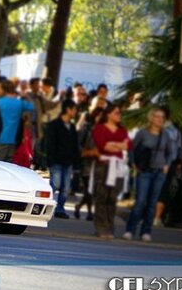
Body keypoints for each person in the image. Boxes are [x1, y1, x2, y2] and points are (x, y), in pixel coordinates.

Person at [123, 107, 175, 242]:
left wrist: (167, 165)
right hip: (144, 171)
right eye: (157, 117)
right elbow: (131, 148)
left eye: (162, 117)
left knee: (152, 202)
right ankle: (130, 229)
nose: (160, 120)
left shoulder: (166, 135)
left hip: (159, 172)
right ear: (151, 118)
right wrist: (133, 163)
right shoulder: (142, 133)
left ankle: (146, 231)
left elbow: (170, 152)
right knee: (140, 201)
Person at [92, 104, 131, 238]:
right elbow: (102, 145)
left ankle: (109, 228)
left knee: (112, 198)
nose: (119, 115)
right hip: (103, 165)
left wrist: (114, 145)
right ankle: (101, 227)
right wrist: (118, 145)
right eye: (116, 113)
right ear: (108, 114)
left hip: (118, 166)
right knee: (102, 197)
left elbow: (128, 145)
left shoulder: (122, 130)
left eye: (119, 113)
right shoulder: (100, 128)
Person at [46, 100, 81, 219]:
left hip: (68, 161)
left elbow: (75, 145)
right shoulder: (54, 125)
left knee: (66, 187)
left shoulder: (71, 127)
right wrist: (50, 160)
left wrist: (76, 163)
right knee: (55, 184)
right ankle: (47, 206)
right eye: (74, 109)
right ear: (68, 109)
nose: (75, 112)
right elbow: (50, 143)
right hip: (56, 160)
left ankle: (60, 208)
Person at [153, 106, 182, 227]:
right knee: (163, 191)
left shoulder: (159, 131)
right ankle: (157, 218)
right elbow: (180, 150)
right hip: (169, 165)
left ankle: (153, 216)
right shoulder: (176, 131)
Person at [0, 80, 34, 162]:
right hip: (13, 140)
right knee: (8, 164)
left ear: (3, 89)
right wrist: (26, 96)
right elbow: (32, 106)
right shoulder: (20, 103)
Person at [75, 106, 105, 221]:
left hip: (98, 163)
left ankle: (81, 207)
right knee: (89, 188)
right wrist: (84, 153)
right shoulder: (87, 128)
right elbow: (79, 143)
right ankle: (89, 212)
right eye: (99, 116)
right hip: (86, 162)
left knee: (93, 189)